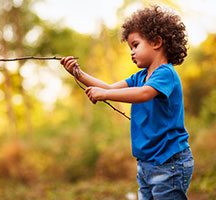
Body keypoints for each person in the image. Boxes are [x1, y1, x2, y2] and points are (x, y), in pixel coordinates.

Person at [60, 5, 194, 200]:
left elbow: (144, 94)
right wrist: (78, 73)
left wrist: (104, 95)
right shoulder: (139, 76)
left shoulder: (166, 74)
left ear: (156, 42)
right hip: (147, 163)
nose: (131, 52)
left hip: (169, 162)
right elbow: (108, 87)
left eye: (135, 45)